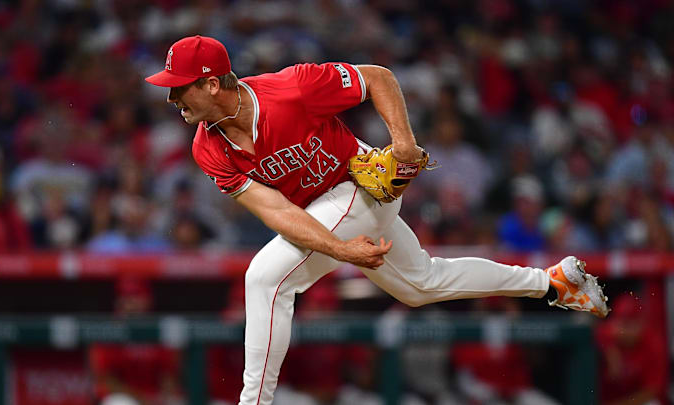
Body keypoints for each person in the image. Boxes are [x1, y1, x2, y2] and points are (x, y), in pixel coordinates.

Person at [145, 35, 609, 405]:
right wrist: (341, 250)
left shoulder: (290, 88)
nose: (170, 98)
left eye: (178, 85)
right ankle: (552, 284)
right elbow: (277, 212)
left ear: (210, 84)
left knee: (265, 279)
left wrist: (403, 142)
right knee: (421, 284)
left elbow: (377, 78)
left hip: (362, 184)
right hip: (318, 210)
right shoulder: (207, 147)